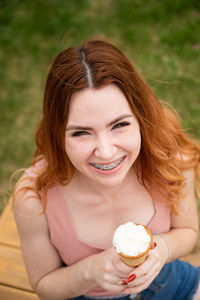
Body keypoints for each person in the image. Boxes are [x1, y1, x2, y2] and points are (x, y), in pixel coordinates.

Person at [13, 38, 200, 300]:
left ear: (139, 116)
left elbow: (189, 232)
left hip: (173, 284)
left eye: (119, 125)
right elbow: (44, 284)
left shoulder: (170, 160)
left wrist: (164, 249)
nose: (106, 151)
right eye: (81, 133)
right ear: (58, 135)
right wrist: (91, 270)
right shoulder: (34, 200)